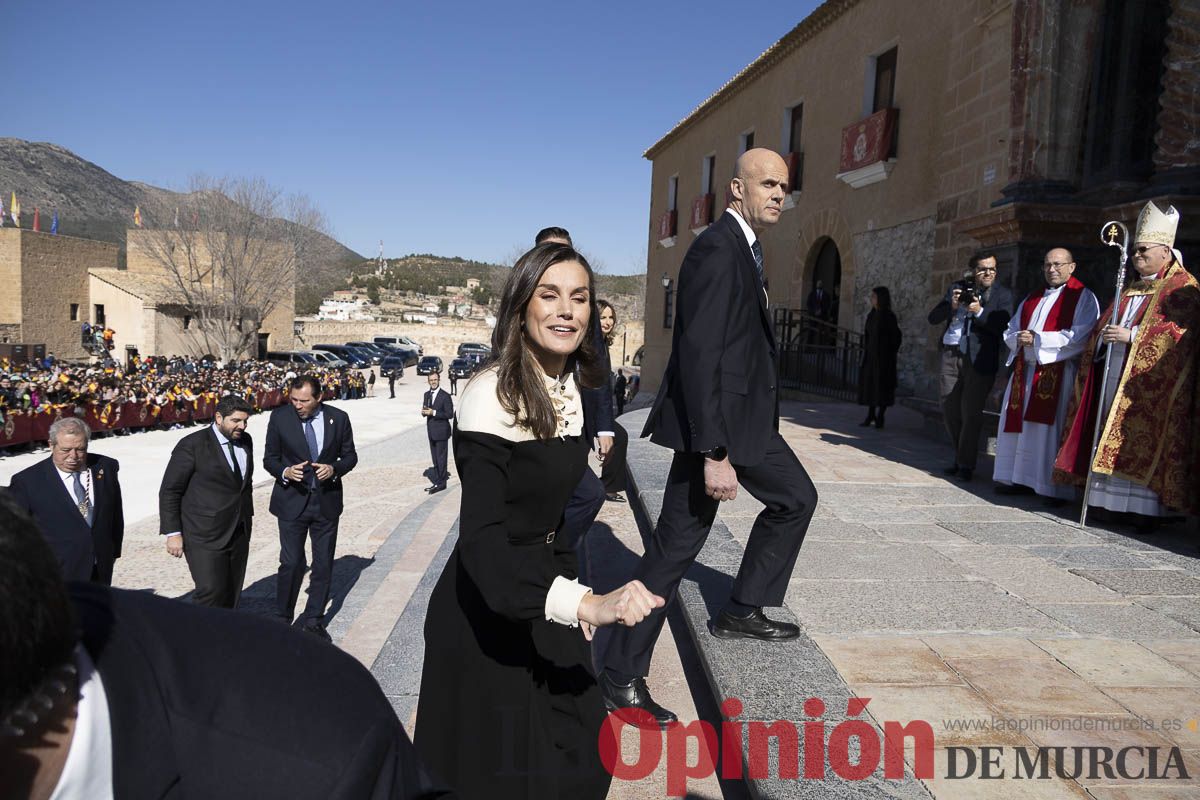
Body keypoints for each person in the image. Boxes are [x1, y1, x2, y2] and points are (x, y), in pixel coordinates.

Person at [0, 490, 452, 800]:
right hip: (219, 534)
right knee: (269, 572)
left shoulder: (319, 753)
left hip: (269, 532)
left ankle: (310, 616)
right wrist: (174, 530)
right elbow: (174, 489)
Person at [414, 243, 664, 800]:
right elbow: (483, 543)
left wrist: (570, 595)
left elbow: (556, 518)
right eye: (549, 295)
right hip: (487, 609)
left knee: (583, 749)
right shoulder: (490, 395)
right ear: (521, 305)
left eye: (579, 297)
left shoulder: (572, 384)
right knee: (502, 776)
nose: (566, 310)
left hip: (546, 591)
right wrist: (588, 605)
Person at [599, 148, 818, 728]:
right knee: (676, 547)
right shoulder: (718, 249)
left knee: (796, 498)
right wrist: (714, 452)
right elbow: (698, 357)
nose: (779, 193)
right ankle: (620, 673)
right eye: (767, 184)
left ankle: (743, 607)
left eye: (784, 185)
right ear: (737, 190)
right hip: (718, 429)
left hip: (746, 423)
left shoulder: (747, 247)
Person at [1055, 202, 1200, 529]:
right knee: (1108, 431)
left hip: (1149, 383)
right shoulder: (1131, 286)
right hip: (1114, 371)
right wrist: (1102, 338)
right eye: (1135, 250)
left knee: (1139, 437)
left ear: (1165, 251)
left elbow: (1181, 334)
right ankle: (1107, 503)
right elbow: (1104, 326)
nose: (1136, 255)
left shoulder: (1183, 287)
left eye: (1143, 249)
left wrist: (1132, 336)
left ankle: (1143, 511)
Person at [993, 249, 1099, 503]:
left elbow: (1082, 335)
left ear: (1072, 267)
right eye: (1047, 265)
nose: (1052, 269)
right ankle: (1017, 478)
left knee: (1046, 432)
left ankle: (1050, 487)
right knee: (1018, 428)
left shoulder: (1083, 297)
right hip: (1024, 372)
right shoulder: (1033, 297)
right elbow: (1011, 328)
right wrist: (1018, 338)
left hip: (1055, 372)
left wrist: (1039, 339)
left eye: (1058, 264)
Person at [263, 375, 358, 640]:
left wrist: (334, 468)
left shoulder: (338, 418)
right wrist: (285, 472)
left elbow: (350, 456)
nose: (297, 405)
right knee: (291, 562)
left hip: (326, 502)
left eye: (304, 401)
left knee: (323, 563)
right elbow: (269, 459)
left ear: (319, 397)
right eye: (293, 399)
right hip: (291, 501)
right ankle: (283, 617)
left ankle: (314, 619)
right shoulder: (280, 418)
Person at [534, 227, 611, 541]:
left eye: (564, 252)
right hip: (532, 419)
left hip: (574, 422)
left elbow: (597, 365)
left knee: (589, 494)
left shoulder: (582, 308)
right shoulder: (526, 304)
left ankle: (559, 551)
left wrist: (604, 427)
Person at [158, 394, 257, 608]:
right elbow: (170, 491)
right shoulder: (192, 445)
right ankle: (199, 630)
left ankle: (225, 629)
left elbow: (243, 483)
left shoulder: (245, 440)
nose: (242, 426)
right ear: (219, 418)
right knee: (210, 592)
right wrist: (173, 533)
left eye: (245, 421)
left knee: (232, 593)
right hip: (203, 533)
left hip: (238, 530)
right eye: (236, 421)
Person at [7, 417, 124, 584]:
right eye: (65, 450)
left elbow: (115, 514)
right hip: (54, 574)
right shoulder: (27, 482)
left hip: (100, 569)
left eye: (80, 449)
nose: (73, 456)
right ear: (51, 445)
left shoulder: (105, 467)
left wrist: (113, 552)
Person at [930, 252, 1013, 481]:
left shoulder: (1002, 295)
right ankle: (961, 455)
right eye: (983, 269)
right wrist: (952, 306)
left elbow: (1002, 327)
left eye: (992, 269)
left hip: (979, 359)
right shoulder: (957, 288)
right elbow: (933, 318)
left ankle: (965, 464)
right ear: (972, 271)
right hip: (951, 352)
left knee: (971, 412)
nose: (988, 273)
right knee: (949, 408)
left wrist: (979, 312)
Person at [595, 299, 630, 503]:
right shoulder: (591, 344)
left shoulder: (602, 343)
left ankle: (608, 486)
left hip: (598, 406)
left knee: (620, 436)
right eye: (602, 317)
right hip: (586, 407)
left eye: (611, 317)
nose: (608, 322)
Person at [857, 286, 902, 429]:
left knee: (883, 387)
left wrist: (887, 352)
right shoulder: (871, 315)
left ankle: (881, 415)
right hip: (871, 357)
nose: (872, 299)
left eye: (874, 297)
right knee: (871, 386)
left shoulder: (888, 316)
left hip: (884, 360)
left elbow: (896, 337)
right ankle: (870, 414)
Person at [422, 372, 453, 494]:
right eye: (431, 380)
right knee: (435, 458)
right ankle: (437, 480)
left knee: (441, 458)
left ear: (439, 380)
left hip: (441, 432)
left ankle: (442, 483)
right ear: (428, 381)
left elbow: (449, 414)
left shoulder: (445, 396)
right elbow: (425, 409)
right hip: (431, 431)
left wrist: (433, 412)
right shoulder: (426, 394)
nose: (433, 382)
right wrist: (424, 412)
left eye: (435, 379)